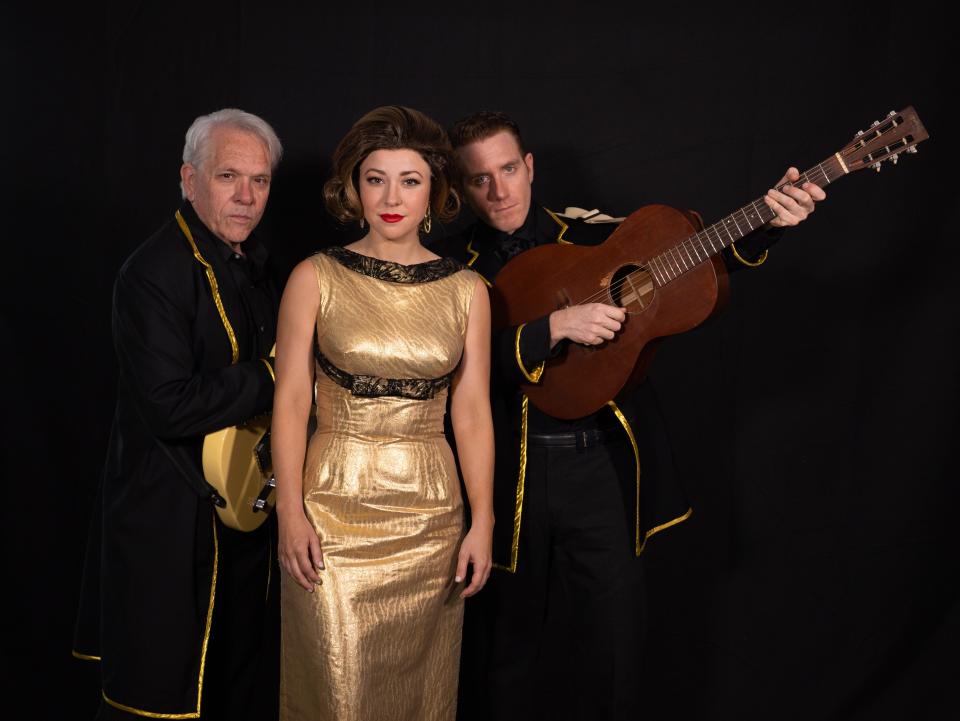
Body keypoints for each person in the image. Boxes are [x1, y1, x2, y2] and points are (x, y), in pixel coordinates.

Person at [438, 110, 827, 721]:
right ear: (461, 189)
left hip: (599, 467)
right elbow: (438, 367)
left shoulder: (591, 233)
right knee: (503, 651)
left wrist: (767, 225)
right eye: (480, 178)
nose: (500, 190)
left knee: (613, 646)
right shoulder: (445, 266)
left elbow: (684, 253)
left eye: (509, 169)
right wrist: (548, 330)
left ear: (529, 167)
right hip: (503, 478)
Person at [271, 105, 494, 721]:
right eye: (375, 179)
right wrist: (290, 512)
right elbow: (290, 401)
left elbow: (471, 412)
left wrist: (484, 520)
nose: (391, 197)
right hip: (332, 504)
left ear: (433, 192)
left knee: (420, 699)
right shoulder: (314, 277)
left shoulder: (468, 290)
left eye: (410, 180)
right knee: (335, 695)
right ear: (353, 188)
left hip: (431, 514)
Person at [73, 108, 285, 720]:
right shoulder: (152, 273)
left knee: (239, 683)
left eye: (260, 181)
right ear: (189, 180)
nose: (246, 197)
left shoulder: (258, 266)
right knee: (170, 694)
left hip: (245, 511)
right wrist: (278, 375)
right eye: (228, 177)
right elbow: (169, 405)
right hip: (169, 518)